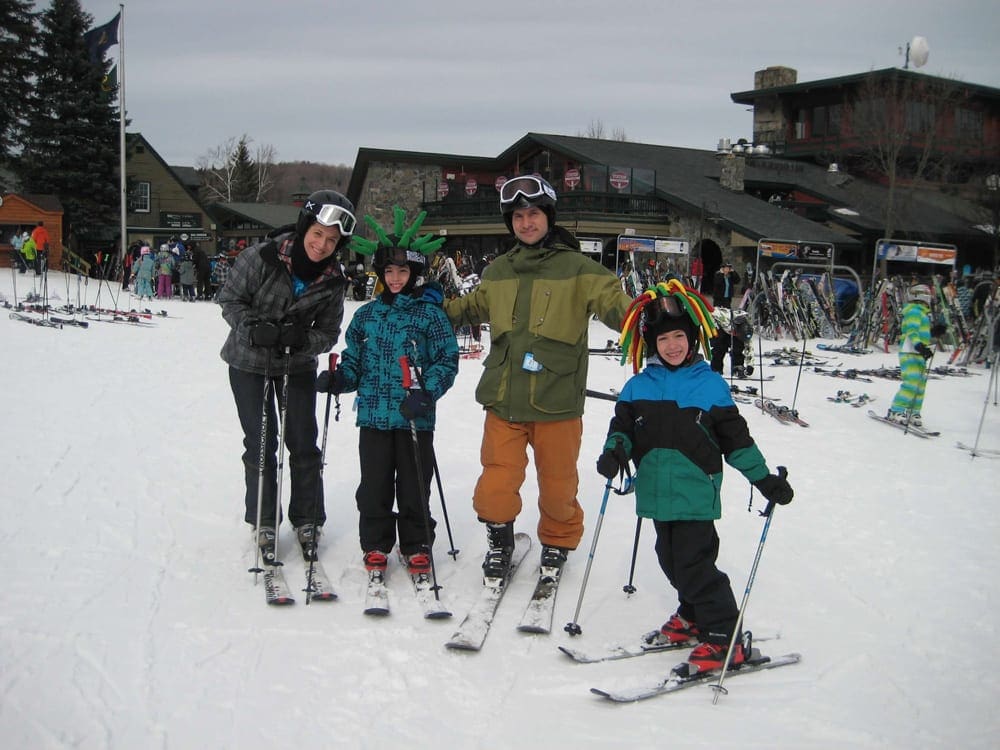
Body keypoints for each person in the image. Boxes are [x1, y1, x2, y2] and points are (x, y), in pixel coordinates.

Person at [596, 278, 794, 672]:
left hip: (696, 495)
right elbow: (622, 431)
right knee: (669, 559)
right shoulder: (637, 387)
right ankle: (692, 615)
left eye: (679, 336)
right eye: (664, 339)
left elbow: (737, 443)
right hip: (656, 494)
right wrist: (615, 452)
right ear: (651, 344)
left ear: (693, 337)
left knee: (695, 565)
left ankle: (725, 638)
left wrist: (764, 479)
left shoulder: (711, 386)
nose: (672, 345)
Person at [444, 175, 632, 580]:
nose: (526, 223)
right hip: (504, 397)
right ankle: (500, 539)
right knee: (495, 482)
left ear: (548, 216)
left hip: (557, 401)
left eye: (532, 214)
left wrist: (651, 316)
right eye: (517, 216)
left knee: (559, 485)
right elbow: (468, 309)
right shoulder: (498, 271)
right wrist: (427, 305)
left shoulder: (580, 270)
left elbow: (617, 306)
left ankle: (558, 543)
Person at [319, 206, 459, 576]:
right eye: (389, 271)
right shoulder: (367, 315)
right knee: (374, 487)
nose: (395, 278)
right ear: (380, 274)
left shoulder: (430, 316)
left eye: (403, 271)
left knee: (414, 486)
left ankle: (416, 543)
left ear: (414, 273)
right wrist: (339, 380)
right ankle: (376, 543)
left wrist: (426, 391)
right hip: (374, 417)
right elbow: (354, 361)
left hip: (415, 416)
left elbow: (447, 360)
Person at [218, 189, 354, 564]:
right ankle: (263, 519)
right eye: (317, 234)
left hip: (295, 366)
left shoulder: (333, 281)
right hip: (249, 361)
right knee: (261, 443)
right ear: (304, 228)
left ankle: (308, 517)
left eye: (331, 240)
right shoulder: (261, 257)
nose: (322, 245)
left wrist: (303, 339)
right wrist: (252, 329)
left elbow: (328, 333)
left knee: (303, 442)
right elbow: (230, 298)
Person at [886, 283, 934, 427]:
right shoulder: (914, 311)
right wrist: (919, 346)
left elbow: (921, 332)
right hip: (909, 352)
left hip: (918, 353)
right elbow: (912, 331)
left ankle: (913, 411)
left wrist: (930, 341)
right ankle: (896, 410)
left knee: (920, 385)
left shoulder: (922, 313)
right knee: (911, 383)